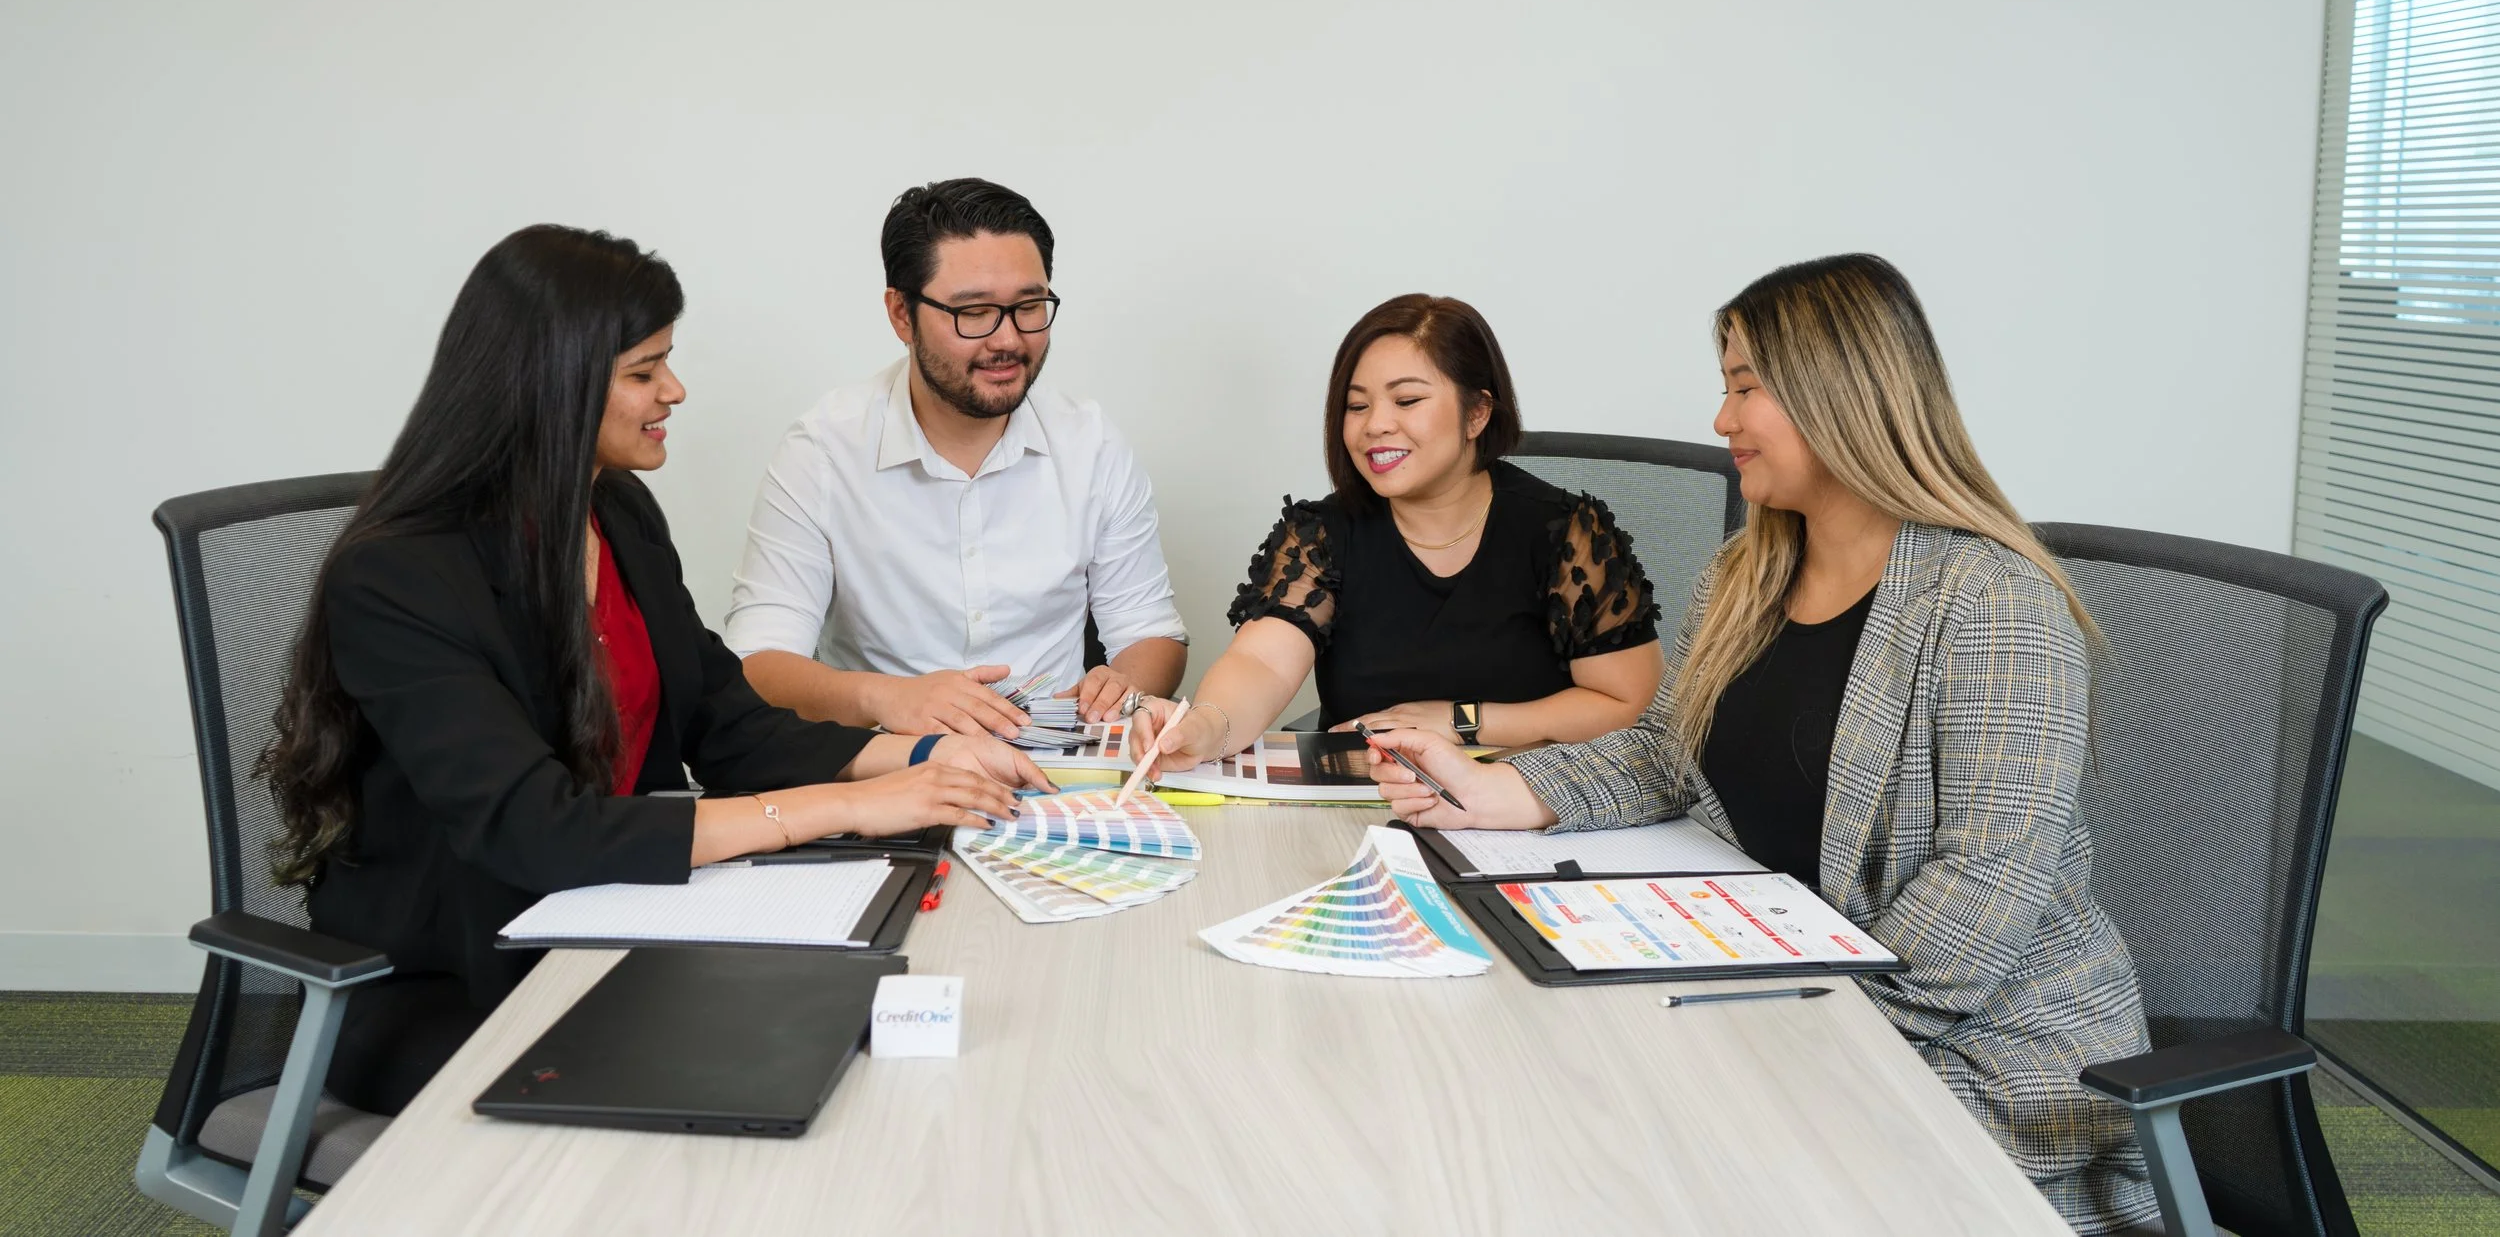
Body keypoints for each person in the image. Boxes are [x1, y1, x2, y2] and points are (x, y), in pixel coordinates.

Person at [1355, 255, 2157, 1233]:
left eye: (1745, 387)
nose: (1720, 418)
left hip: (1980, 1057)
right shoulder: (1747, 573)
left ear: (1840, 392)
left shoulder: (1991, 600)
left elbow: (1982, 889)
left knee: (1654, 1170)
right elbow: (1667, 751)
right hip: (1783, 986)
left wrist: (1794, 1034)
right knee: (1548, 1110)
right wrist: (1503, 790)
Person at [259, 225, 1046, 1116]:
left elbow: (724, 721)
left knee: (863, 1042)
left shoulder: (618, 512)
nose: (674, 390)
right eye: (644, 371)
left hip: (610, 921)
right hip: (457, 978)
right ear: (550, 385)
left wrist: (922, 757)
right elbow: (537, 829)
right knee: (771, 1079)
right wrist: (848, 806)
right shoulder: (400, 576)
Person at [726, 178, 1188, 735]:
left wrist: (1124, 683)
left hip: (1057, 756)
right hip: (889, 761)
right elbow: (757, 662)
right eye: (973, 313)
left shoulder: (1091, 443)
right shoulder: (823, 452)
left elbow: (1151, 632)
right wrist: (887, 699)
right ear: (901, 314)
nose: (1008, 340)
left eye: (1029, 306)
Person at [1128, 293, 1664, 769]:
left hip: (1526, 803)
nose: (1375, 424)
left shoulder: (1564, 532)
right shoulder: (1322, 535)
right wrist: (1205, 728)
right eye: (1357, 405)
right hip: (1367, 803)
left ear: (1477, 413)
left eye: (1406, 401)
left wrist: (1460, 721)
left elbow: (1626, 704)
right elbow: (1261, 662)